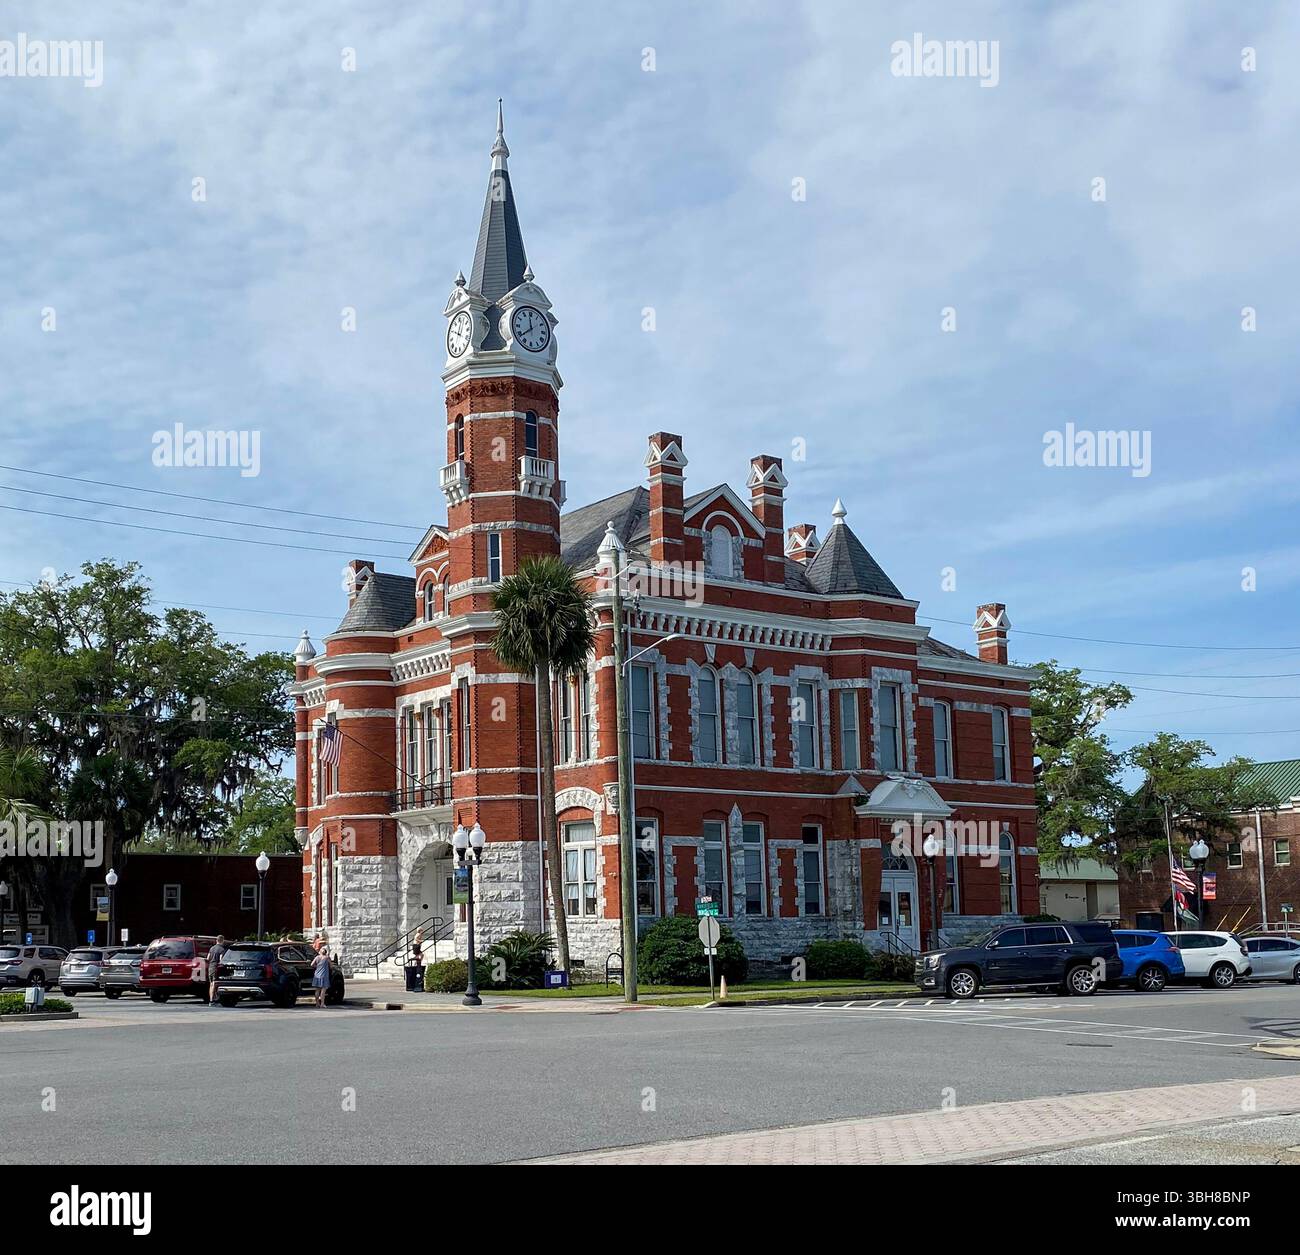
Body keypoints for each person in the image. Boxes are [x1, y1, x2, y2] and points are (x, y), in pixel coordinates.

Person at [206, 935, 226, 1005]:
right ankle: (213, 1000)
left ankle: (211, 1000)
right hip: (216, 967)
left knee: (211, 983)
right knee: (215, 983)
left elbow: (208, 958)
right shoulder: (222, 949)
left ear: (216, 940)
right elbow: (221, 960)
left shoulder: (211, 948)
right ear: (222, 940)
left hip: (210, 967)